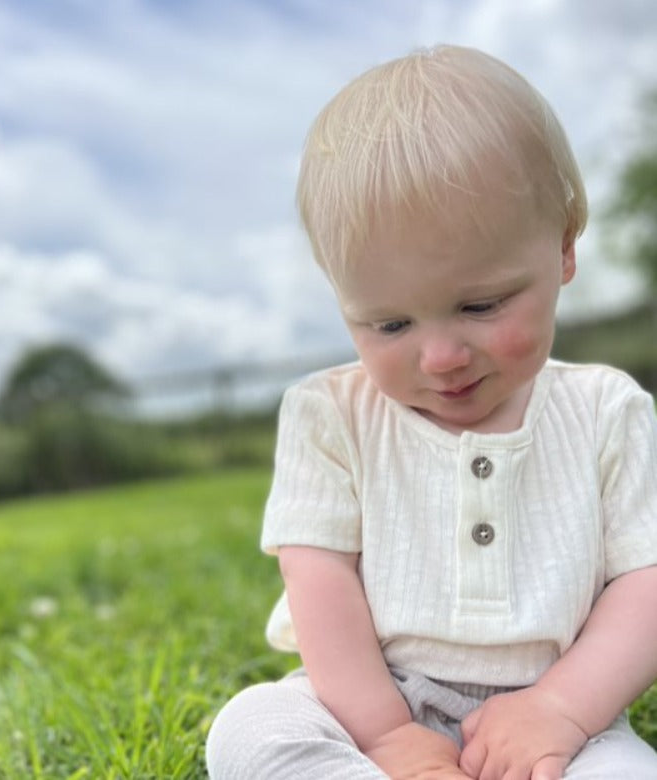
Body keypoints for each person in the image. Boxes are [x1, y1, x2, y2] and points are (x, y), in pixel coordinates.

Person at [205, 44, 657, 779]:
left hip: (567, 715)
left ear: (565, 249)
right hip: (375, 706)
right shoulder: (330, 416)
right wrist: (386, 736)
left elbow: (648, 580)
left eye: (480, 305)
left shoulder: (606, 410)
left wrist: (561, 710)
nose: (440, 356)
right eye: (389, 325)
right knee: (250, 731)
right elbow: (320, 584)